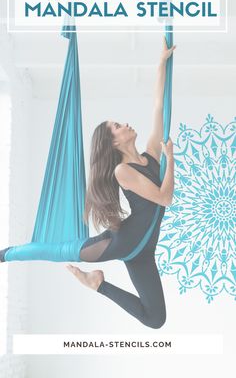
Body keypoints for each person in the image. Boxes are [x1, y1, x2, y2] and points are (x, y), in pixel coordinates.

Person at [0, 38, 176, 329]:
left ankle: (98, 285)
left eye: (119, 123)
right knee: (52, 250)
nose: (125, 124)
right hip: (117, 244)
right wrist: (173, 160)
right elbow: (165, 197)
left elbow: (158, 105)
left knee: (155, 319)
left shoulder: (151, 155)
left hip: (143, 252)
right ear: (114, 142)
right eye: (118, 126)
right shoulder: (123, 170)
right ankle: (5, 254)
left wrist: (161, 63)